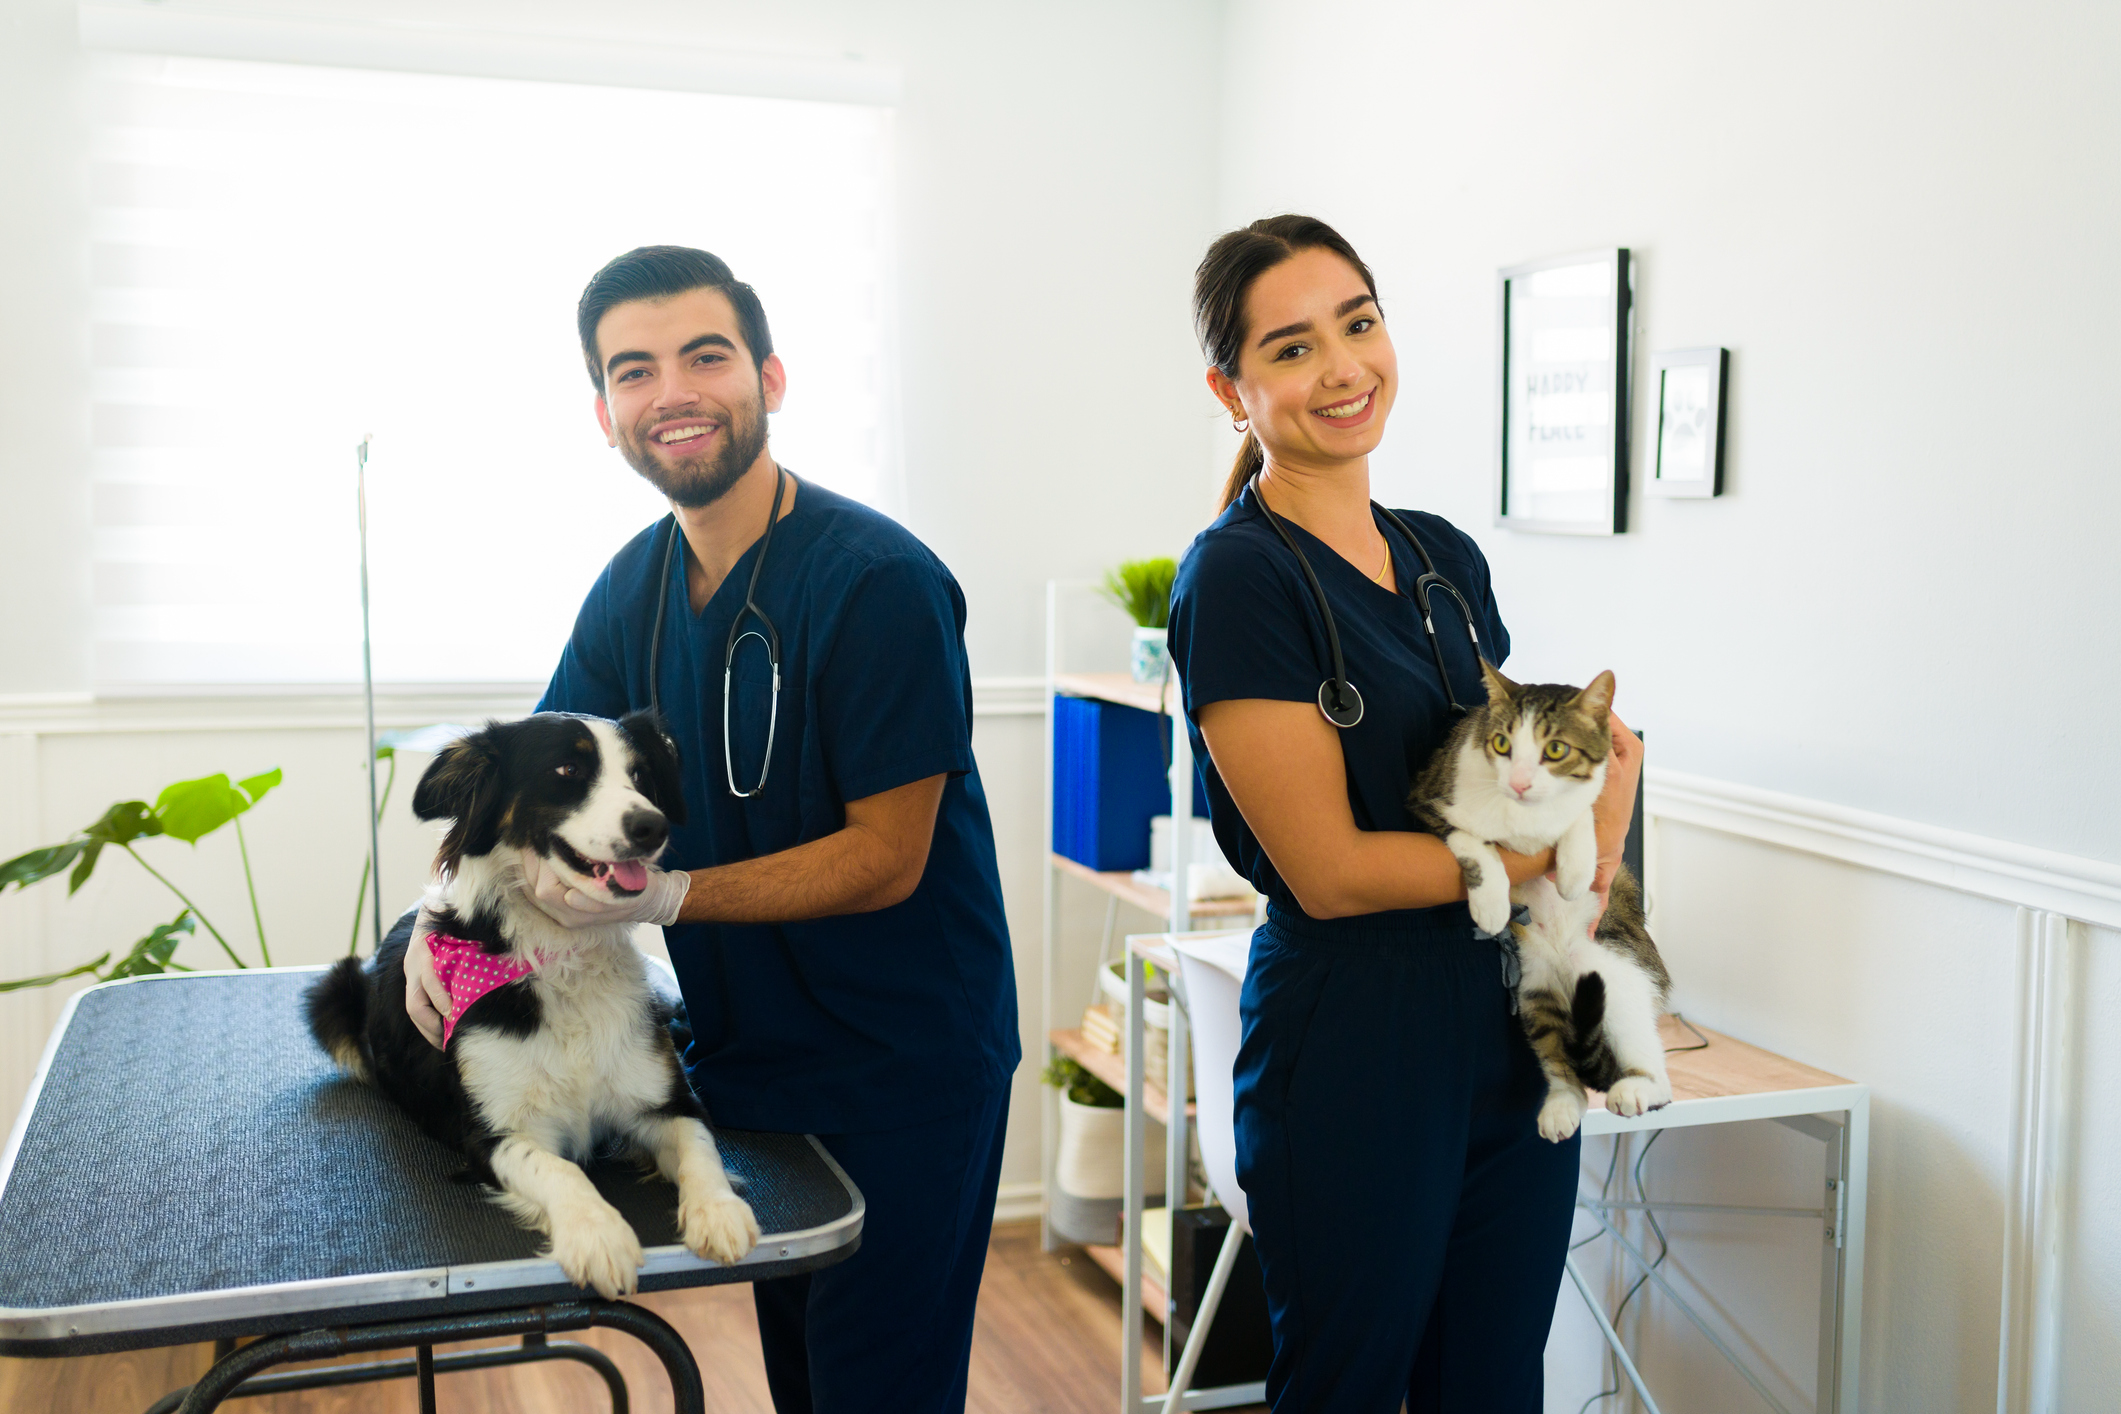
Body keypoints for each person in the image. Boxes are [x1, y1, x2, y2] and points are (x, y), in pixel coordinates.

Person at [404, 246, 1019, 1414]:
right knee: (805, 1380)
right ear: (605, 414)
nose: (672, 390)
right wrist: (444, 936)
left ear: (771, 378)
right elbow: (531, 802)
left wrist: (671, 900)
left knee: (879, 1389)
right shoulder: (629, 590)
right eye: (635, 370)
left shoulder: (879, 582)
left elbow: (890, 859)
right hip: (745, 1058)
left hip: (902, 1065)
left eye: (706, 355)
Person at [1166, 216, 1642, 1412]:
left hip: (1511, 1016)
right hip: (1355, 1039)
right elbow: (1329, 870)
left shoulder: (1443, 560)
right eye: (1291, 348)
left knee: (1492, 1385)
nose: (1342, 368)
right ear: (1233, 389)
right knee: (1347, 1386)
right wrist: (1546, 852)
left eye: (1359, 324)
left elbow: (1548, 822)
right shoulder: (1239, 578)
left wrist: (1597, 823)